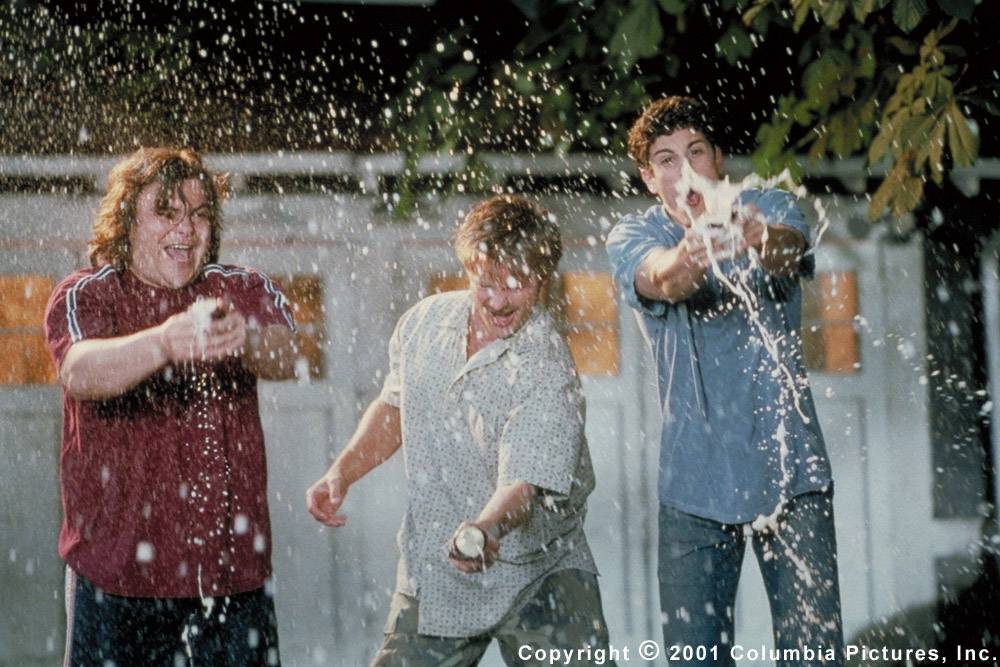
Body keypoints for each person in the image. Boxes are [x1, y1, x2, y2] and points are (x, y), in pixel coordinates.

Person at [307, 194, 615, 666]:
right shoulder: (422, 323)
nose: (498, 301)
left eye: (516, 284)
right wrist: (341, 473)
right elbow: (393, 408)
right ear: (469, 268)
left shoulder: (548, 364)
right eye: (486, 282)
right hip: (436, 570)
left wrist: (485, 529)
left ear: (542, 278)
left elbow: (522, 485)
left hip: (540, 572)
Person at [606, 96, 844, 666]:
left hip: (791, 472)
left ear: (718, 159)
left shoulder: (769, 207)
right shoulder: (632, 234)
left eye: (695, 152)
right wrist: (694, 248)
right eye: (665, 160)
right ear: (648, 178)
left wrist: (756, 235)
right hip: (693, 483)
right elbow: (664, 281)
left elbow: (789, 251)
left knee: (815, 656)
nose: (683, 170)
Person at [44, 147, 298, 666]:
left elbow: (287, 353)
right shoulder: (88, 293)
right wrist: (162, 342)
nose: (186, 229)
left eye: (199, 214)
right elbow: (80, 371)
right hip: (116, 582)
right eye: (166, 212)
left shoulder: (239, 287)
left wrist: (245, 339)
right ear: (125, 222)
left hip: (232, 584)